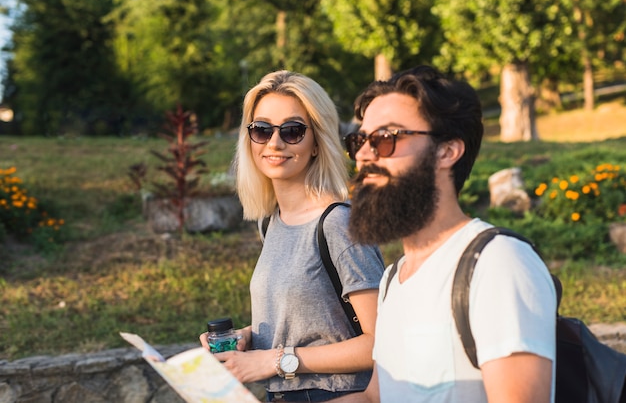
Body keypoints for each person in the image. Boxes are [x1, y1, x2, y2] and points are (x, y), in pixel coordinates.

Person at [327, 65, 556, 402]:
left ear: (447, 151)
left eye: (386, 139)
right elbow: (375, 396)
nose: (363, 154)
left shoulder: (496, 264)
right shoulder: (393, 280)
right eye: (360, 140)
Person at [199, 70, 385, 402]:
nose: (274, 142)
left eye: (293, 131)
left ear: (317, 142)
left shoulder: (340, 224)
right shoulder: (271, 222)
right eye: (261, 130)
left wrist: (274, 360)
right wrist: (246, 338)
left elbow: (381, 342)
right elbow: (309, 324)